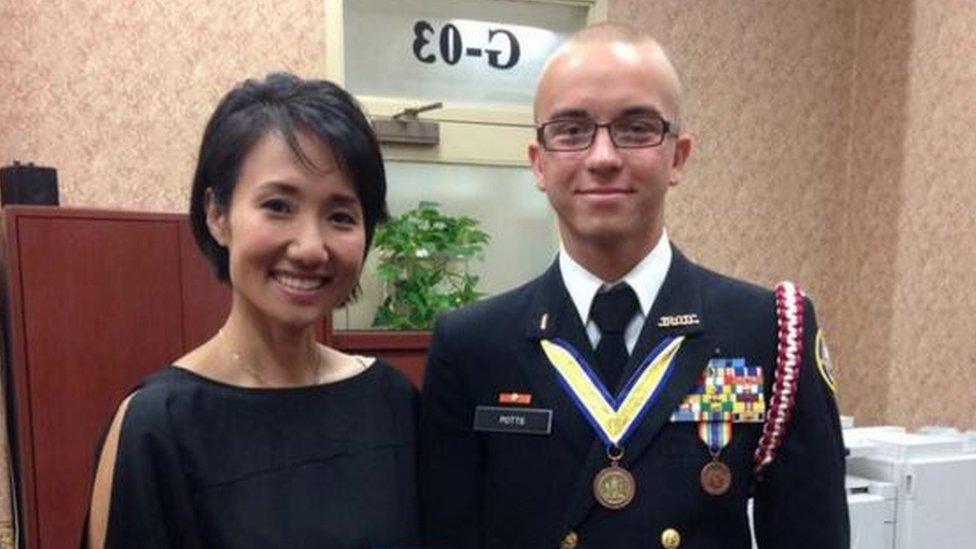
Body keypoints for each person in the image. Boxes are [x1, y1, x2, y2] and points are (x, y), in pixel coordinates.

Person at [419, 23, 848, 548]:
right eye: (571, 130)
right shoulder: (471, 344)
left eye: (636, 127)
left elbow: (813, 535)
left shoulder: (767, 331)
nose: (602, 157)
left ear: (679, 157)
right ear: (538, 162)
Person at [86, 73, 419, 548]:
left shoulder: (391, 401)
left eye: (341, 216)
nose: (310, 247)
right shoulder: (157, 425)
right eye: (279, 206)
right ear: (217, 215)